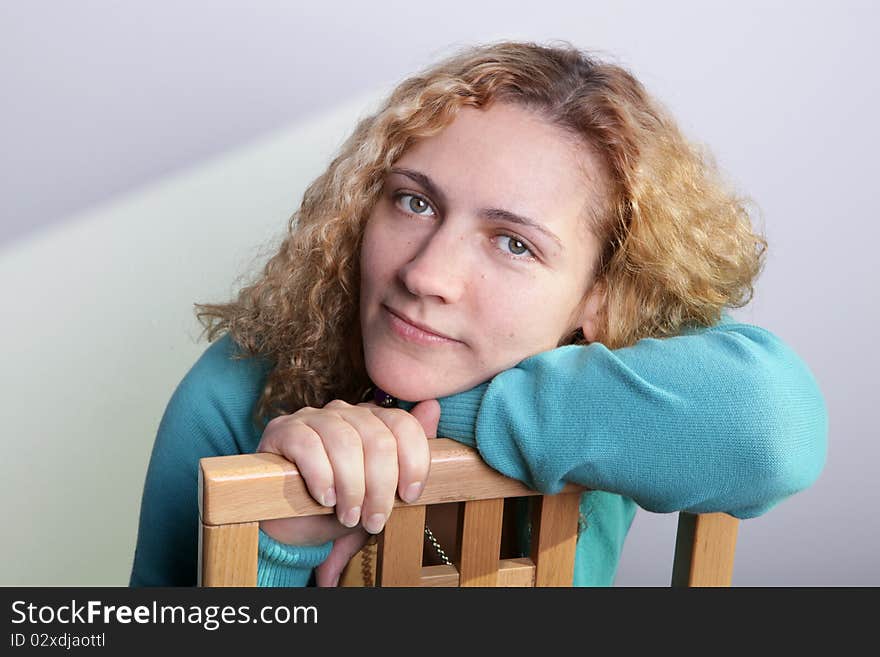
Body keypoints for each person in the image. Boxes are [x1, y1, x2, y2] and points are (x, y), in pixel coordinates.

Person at [129, 40, 828, 588]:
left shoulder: (609, 384)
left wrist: (424, 420)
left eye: (513, 243)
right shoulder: (235, 384)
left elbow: (773, 429)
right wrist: (281, 536)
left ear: (601, 298)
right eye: (414, 201)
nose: (425, 273)